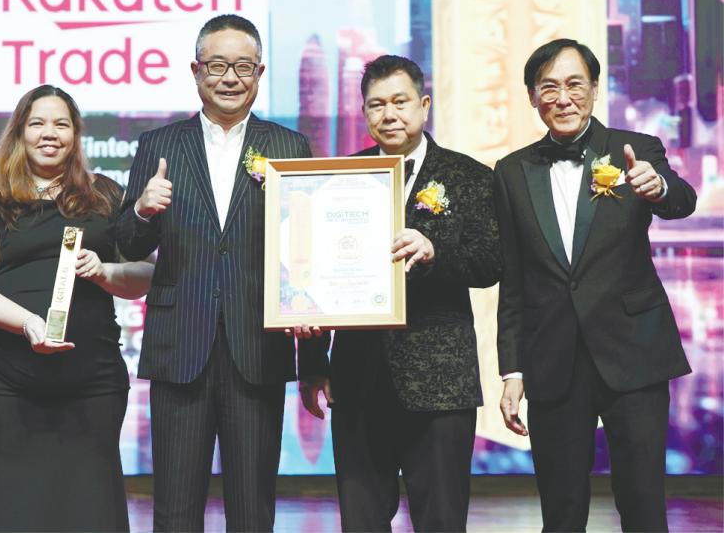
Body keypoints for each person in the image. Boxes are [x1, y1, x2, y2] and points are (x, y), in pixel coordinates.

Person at [115, 14, 312, 531]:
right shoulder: (158, 145)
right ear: (196, 71)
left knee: (253, 508)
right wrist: (142, 210)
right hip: (180, 344)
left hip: (258, 346)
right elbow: (127, 243)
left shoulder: (290, 149)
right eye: (218, 65)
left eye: (243, 66)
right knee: (176, 508)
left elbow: (307, 258)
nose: (230, 77)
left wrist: (315, 359)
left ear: (260, 72)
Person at [495, 38, 695, 531]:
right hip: (553, 359)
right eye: (549, 87)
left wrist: (659, 185)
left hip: (634, 353)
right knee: (561, 511)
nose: (562, 98)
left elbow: (682, 200)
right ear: (532, 97)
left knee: (644, 503)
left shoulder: (635, 149)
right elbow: (513, 282)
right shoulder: (511, 172)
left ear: (595, 90)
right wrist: (512, 371)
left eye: (574, 85)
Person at [297, 55, 501, 531]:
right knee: (361, 520)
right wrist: (312, 362)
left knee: (442, 520)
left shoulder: (468, 176)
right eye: (376, 105)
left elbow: (490, 264)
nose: (389, 114)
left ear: (423, 105)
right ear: (364, 114)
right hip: (358, 378)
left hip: (441, 382)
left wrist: (434, 251)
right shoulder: (337, 178)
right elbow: (311, 277)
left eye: (400, 102)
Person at [0, 84, 153, 533]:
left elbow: (144, 277)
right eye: (37, 122)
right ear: (20, 131)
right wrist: (27, 323)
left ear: (76, 135)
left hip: (93, 381)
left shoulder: (106, 195)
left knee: (89, 505)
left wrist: (104, 272)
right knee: (13, 505)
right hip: (9, 381)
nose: (50, 133)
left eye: (61, 124)